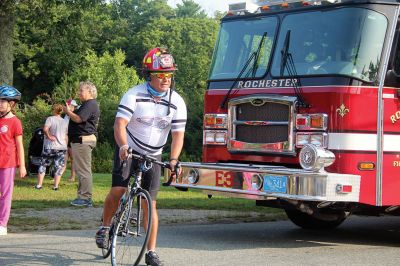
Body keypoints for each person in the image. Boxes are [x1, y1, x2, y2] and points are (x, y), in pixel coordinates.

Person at [95, 47, 187, 266]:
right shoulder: (133, 94)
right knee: (118, 190)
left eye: (169, 75)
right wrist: (123, 145)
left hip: (154, 155)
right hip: (129, 150)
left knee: (150, 205)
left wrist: (173, 159)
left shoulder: (177, 102)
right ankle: (105, 227)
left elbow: (178, 135)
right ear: (149, 75)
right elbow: (120, 124)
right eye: (161, 75)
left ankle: (151, 252)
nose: (166, 79)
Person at [63, 81, 100, 207]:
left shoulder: (90, 104)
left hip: (83, 140)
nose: (79, 93)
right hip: (80, 140)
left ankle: (85, 198)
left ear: (90, 92)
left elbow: (79, 119)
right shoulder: (86, 104)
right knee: (81, 170)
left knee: (83, 170)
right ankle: (82, 196)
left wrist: (68, 112)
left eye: (81, 90)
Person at [0, 85, 27, 236]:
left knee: (5, 194)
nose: (0, 104)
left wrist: (22, 165)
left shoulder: (15, 122)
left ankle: (3, 224)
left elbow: (19, 145)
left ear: (12, 104)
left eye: (3, 101)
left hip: (8, 163)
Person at [34, 104, 68, 190]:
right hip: (61, 147)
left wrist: (49, 136)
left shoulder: (50, 119)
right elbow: (66, 135)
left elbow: (45, 129)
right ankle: (55, 186)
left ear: (53, 110)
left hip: (50, 146)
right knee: (59, 166)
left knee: (43, 165)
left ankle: (39, 185)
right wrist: (66, 145)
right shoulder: (65, 121)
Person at [63, 99, 78, 182]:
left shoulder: (75, 115)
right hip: (65, 139)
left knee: (73, 159)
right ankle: (58, 176)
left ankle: (73, 176)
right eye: (66, 105)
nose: (66, 107)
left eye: (68, 105)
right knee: (63, 158)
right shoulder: (65, 116)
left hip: (72, 138)